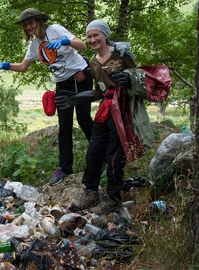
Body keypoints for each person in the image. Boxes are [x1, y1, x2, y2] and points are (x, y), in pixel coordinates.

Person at [0, 8, 93, 186]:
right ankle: (65, 169)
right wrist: (2, 66)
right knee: (64, 125)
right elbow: (23, 66)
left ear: (39, 21)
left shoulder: (55, 30)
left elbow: (82, 45)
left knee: (83, 119)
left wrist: (65, 41)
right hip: (62, 83)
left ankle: (102, 154)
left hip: (79, 77)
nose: (28, 27)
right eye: (25, 25)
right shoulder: (34, 44)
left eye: (31, 22)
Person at [56, 19, 147, 214]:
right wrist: (77, 97)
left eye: (96, 35)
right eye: (89, 36)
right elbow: (99, 91)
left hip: (121, 111)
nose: (92, 39)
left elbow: (140, 79)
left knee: (113, 155)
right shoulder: (94, 62)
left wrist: (129, 78)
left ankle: (113, 198)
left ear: (105, 35)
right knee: (94, 151)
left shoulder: (122, 54)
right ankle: (90, 191)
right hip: (105, 109)